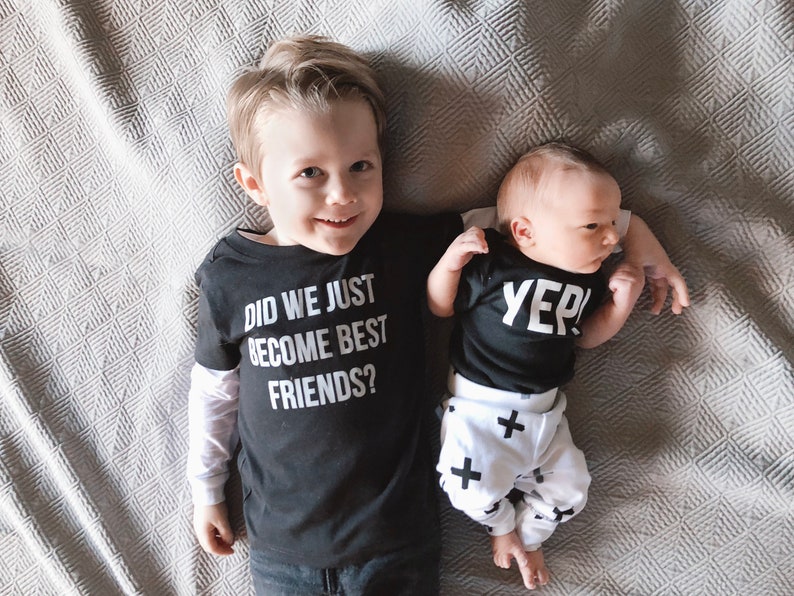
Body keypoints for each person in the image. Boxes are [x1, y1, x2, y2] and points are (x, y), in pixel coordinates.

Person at [187, 35, 690, 595]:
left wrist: (635, 235)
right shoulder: (232, 274)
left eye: (361, 166)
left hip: (395, 536)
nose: (342, 195)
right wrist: (206, 487)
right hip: (283, 545)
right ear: (254, 185)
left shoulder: (401, 244)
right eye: (310, 174)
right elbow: (216, 390)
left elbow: (531, 218)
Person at [428, 142, 687, 591]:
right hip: (481, 414)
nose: (611, 238)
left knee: (572, 490)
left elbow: (586, 337)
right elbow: (440, 306)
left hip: (547, 418)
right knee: (465, 484)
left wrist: (621, 305)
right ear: (526, 231)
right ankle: (501, 527)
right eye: (593, 226)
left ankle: (528, 537)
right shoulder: (494, 264)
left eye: (611, 223)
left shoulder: (587, 279)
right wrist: (450, 263)